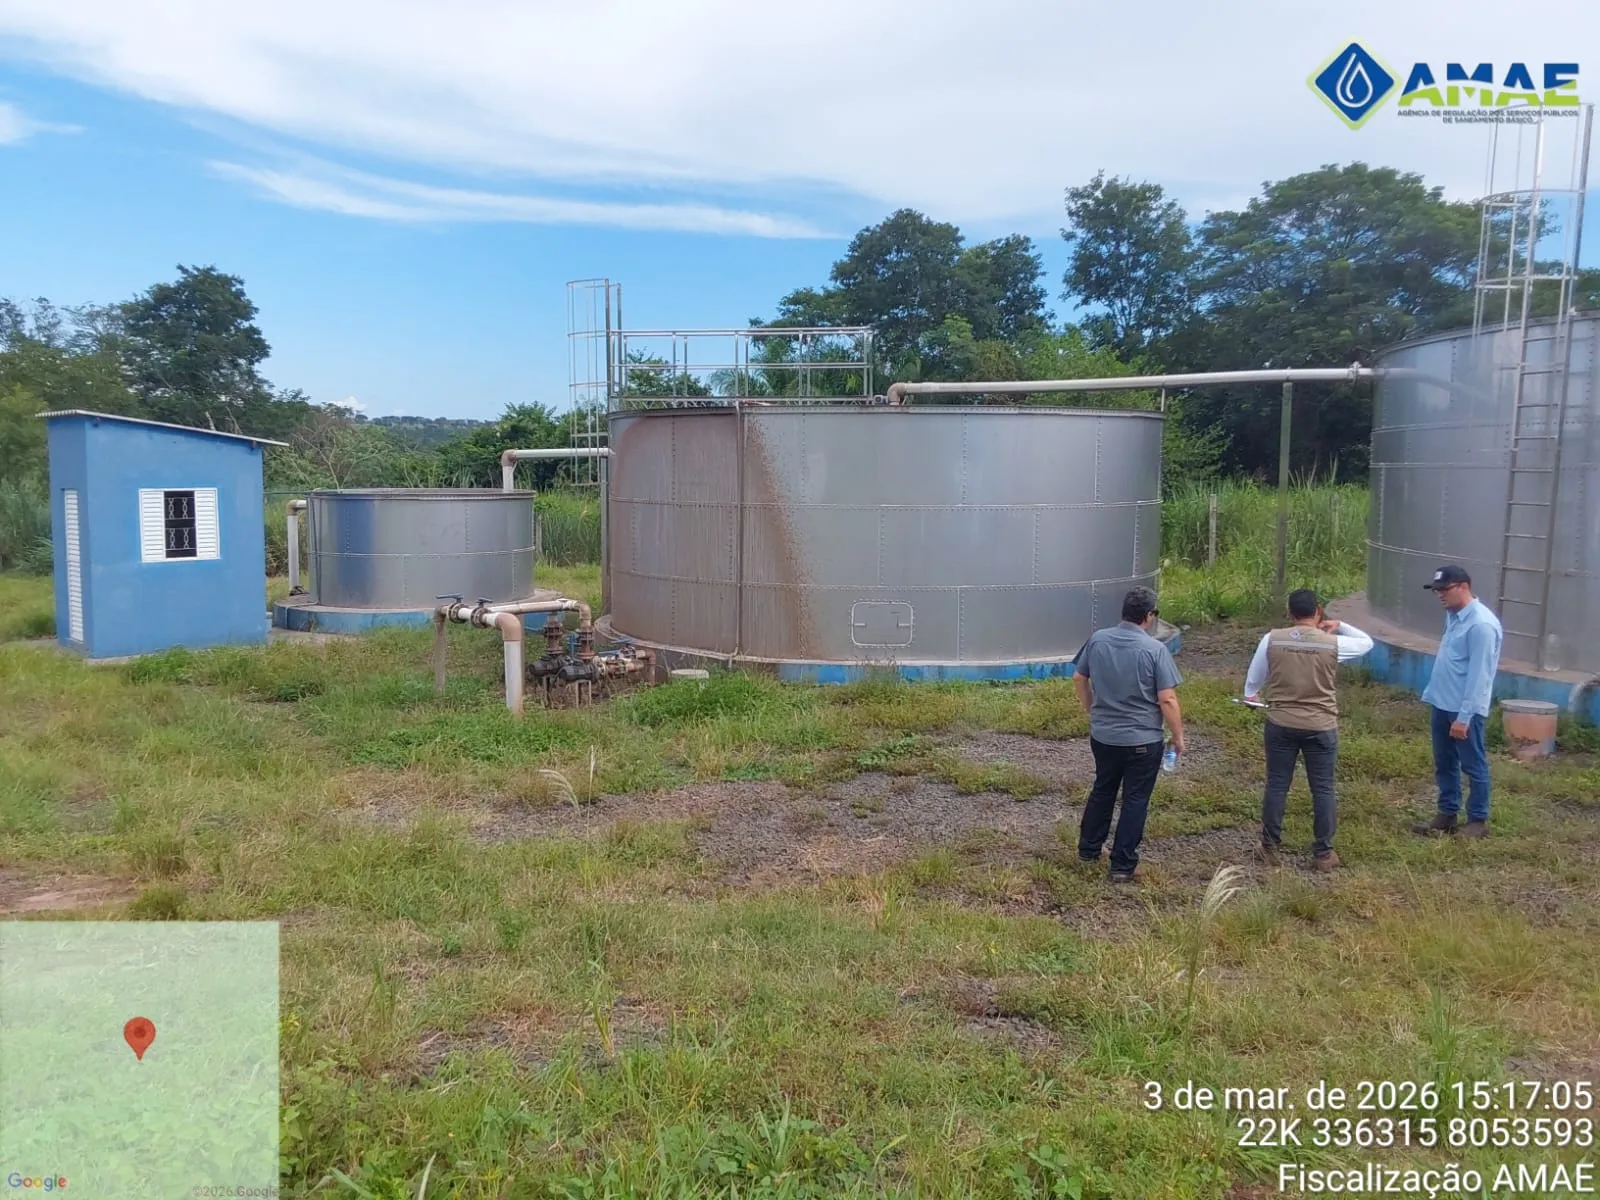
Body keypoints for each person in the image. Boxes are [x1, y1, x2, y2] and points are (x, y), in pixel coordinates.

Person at [1242, 589, 1374, 870]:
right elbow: (1366, 643)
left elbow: (1253, 683)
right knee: (1323, 788)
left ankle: (1269, 846)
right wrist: (1340, 625)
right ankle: (1323, 853)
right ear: (1318, 611)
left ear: (1290, 613)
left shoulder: (1272, 639)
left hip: (1281, 723)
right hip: (1321, 724)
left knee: (1277, 784)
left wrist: (1252, 695)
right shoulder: (1332, 643)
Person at [1072, 586, 1185, 883]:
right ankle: (1122, 865)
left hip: (1103, 736)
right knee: (1135, 799)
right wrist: (1178, 737)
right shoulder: (1154, 650)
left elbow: (1079, 677)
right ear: (1149, 615)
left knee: (1103, 789)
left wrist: (1091, 708)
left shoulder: (1098, 640)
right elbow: (1167, 699)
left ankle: (1088, 850)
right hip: (1142, 740)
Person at [1412, 565, 1502, 838]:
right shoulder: (1453, 616)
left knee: (1473, 764)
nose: (1440, 595)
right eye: (1436, 590)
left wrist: (1464, 717)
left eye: (1444, 589)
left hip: (1464, 709)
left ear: (1464, 586)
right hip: (1442, 703)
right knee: (1445, 762)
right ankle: (1447, 813)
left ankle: (1477, 820)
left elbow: (1479, 676)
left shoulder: (1481, 625)